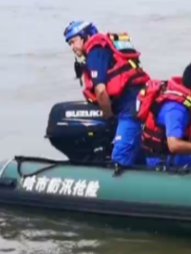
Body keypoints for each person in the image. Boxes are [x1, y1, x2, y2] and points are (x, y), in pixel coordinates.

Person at [63, 20, 151, 166]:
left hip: (130, 109)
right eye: (69, 44)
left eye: (73, 41)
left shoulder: (95, 52)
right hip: (136, 103)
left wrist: (109, 118)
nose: (72, 47)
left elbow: (101, 91)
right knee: (136, 154)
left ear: (85, 36)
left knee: (119, 159)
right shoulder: (104, 49)